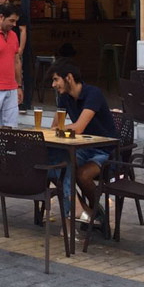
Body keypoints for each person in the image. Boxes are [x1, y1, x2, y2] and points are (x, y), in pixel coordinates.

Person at [48, 59, 118, 226]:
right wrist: (59, 130)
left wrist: (60, 130)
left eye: (56, 79)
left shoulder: (93, 93)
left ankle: (96, 213)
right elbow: (55, 126)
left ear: (69, 78)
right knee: (58, 167)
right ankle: (83, 209)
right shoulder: (64, 98)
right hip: (83, 148)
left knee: (82, 175)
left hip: (106, 150)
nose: (53, 84)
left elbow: (78, 128)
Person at [0, 0, 28, 111]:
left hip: (14, 47)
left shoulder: (17, 11)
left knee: (18, 72)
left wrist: (20, 50)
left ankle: (20, 102)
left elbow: (23, 30)